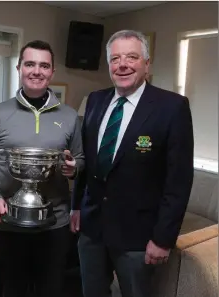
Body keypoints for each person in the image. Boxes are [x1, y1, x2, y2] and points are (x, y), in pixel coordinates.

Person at [70, 30, 194, 297]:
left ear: (147, 64)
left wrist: (163, 238)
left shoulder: (172, 107)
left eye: (131, 57)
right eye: (115, 59)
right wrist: (77, 207)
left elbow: (179, 181)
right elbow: (89, 162)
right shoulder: (95, 100)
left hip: (138, 237)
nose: (122, 64)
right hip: (91, 229)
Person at [0, 40, 84, 297]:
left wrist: (73, 168)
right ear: (19, 68)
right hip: (8, 220)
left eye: (44, 65)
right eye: (30, 64)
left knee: (51, 288)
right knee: (13, 288)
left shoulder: (68, 116)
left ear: (52, 72)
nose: (37, 71)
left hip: (54, 222)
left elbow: (79, 159)